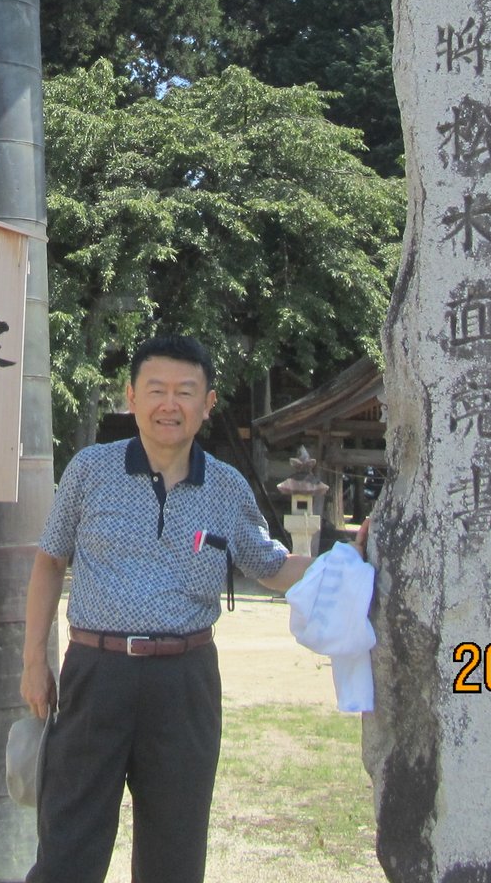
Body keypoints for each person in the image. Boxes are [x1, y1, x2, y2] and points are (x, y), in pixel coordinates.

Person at [20, 334, 310, 883]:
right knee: (67, 848)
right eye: (155, 390)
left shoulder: (226, 486)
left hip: (185, 682)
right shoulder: (90, 470)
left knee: (174, 852)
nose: (168, 404)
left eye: (184, 391)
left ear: (208, 404)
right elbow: (49, 563)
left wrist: (351, 566)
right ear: (131, 397)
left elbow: (271, 566)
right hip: (95, 674)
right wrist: (35, 660)